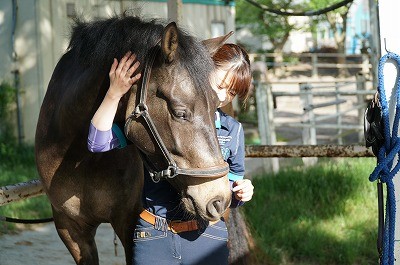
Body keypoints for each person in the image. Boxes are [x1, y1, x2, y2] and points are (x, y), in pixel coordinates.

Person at [88, 44, 254, 264]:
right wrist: (113, 94)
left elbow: (228, 194)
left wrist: (241, 192)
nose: (222, 96)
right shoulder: (162, 119)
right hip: (153, 235)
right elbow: (97, 142)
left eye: (232, 92)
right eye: (221, 85)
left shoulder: (232, 130)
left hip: (207, 235)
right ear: (202, 70)